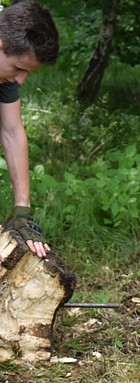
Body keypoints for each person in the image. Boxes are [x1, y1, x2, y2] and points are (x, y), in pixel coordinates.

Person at [0, 0, 59, 258]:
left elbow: (12, 131)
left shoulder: (4, 73)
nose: (20, 79)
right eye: (19, 69)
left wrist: (22, 210)